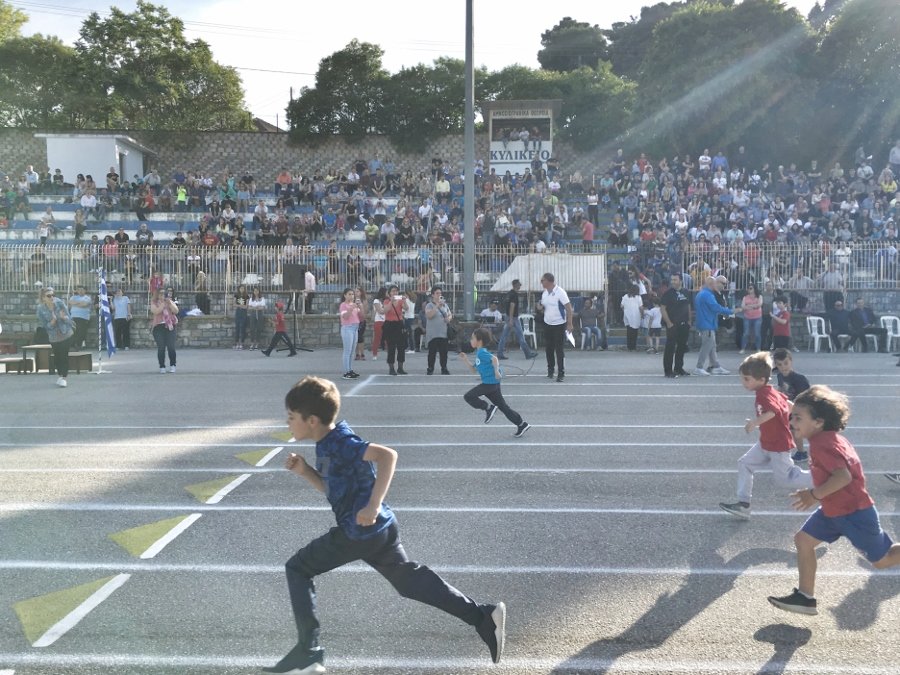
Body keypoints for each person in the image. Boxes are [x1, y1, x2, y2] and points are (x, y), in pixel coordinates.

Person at [263, 376, 506, 674]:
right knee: (410, 583)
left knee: (298, 568)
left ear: (311, 420)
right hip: (379, 530)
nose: (287, 423)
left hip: (360, 532)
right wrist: (305, 471)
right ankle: (483, 617)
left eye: (291, 417)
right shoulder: (327, 441)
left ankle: (308, 651)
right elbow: (333, 490)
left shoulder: (340, 442)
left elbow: (387, 456)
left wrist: (373, 505)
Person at [767, 385, 900, 615]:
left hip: (854, 513)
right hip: (833, 509)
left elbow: (843, 477)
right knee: (803, 540)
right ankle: (805, 598)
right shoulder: (829, 438)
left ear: (818, 422)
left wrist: (813, 495)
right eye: (792, 416)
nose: (792, 421)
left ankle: (805, 597)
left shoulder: (822, 444)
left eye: (798, 418)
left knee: (882, 560)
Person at [719, 352, 811, 520]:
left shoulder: (763, 394)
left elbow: (773, 412)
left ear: (761, 380)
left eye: (747, 379)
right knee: (745, 464)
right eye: (743, 378)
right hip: (766, 443)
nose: (743, 382)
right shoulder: (770, 390)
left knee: (786, 479)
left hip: (777, 444)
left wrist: (754, 423)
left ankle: (821, 479)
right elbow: (787, 404)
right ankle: (744, 504)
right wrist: (801, 415)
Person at [459, 327, 530, 437]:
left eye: (473, 338)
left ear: (479, 341)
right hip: (493, 384)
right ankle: (521, 424)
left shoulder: (482, 353)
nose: (471, 340)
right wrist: (465, 360)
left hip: (490, 384)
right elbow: (473, 370)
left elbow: (494, 359)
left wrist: (496, 371)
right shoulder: (480, 353)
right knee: (503, 407)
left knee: (468, 396)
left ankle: (488, 408)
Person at [772, 347, 811, 464]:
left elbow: (807, 395)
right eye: (779, 365)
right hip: (786, 408)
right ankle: (783, 450)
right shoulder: (780, 375)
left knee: (796, 431)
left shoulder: (799, 379)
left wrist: (802, 410)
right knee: (786, 429)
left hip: (797, 409)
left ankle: (802, 452)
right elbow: (781, 388)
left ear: (791, 361)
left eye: (786, 363)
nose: (783, 367)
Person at [693, 276, 735, 376]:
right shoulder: (707, 295)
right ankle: (699, 367)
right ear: (711, 284)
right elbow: (716, 308)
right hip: (707, 324)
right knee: (707, 346)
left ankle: (715, 366)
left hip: (706, 323)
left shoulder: (702, 294)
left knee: (711, 346)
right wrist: (731, 311)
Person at [536, 272, 573, 382]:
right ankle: (550, 370)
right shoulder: (544, 293)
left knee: (559, 349)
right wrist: (539, 308)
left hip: (559, 324)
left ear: (549, 281)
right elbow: (543, 307)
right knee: (548, 348)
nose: (541, 282)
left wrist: (569, 323)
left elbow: (569, 308)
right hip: (548, 323)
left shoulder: (560, 292)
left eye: (543, 280)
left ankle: (561, 372)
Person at [36, 286, 74, 388]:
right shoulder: (40, 309)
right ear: (43, 298)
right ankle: (60, 375)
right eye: (49, 296)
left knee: (64, 355)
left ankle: (64, 377)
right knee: (57, 357)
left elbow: (69, 319)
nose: (52, 297)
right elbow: (44, 326)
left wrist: (63, 317)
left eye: (53, 295)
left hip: (66, 333)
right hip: (53, 336)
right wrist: (52, 323)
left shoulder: (60, 303)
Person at [660, 272, 692, 378]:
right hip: (673, 324)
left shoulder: (686, 292)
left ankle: (678, 368)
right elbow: (663, 308)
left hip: (684, 324)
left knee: (681, 347)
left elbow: (688, 306)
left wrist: (689, 321)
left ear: (681, 281)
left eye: (675, 280)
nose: (673, 282)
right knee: (670, 348)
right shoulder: (668, 293)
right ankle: (668, 371)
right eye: (672, 280)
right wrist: (669, 323)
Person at [497, 279, 538, 360]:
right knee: (520, 336)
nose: (520, 285)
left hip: (508, 316)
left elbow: (507, 306)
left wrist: (509, 318)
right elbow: (512, 306)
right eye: (519, 284)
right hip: (513, 318)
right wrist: (511, 319)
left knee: (504, 336)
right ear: (516, 285)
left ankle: (500, 353)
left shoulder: (509, 294)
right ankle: (528, 354)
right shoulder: (514, 295)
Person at [425, 286, 453, 375]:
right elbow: (429, 315)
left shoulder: (445, 305)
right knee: (432, 352)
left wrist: (448, 318)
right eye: (437, 293)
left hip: (443, 333)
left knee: (444, 352)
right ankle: (430, 368)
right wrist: (437, 306)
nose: (439, 295)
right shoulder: (429, 305)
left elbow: (450, 314)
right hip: (432, 333)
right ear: (432, 295)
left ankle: (444, 368)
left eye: (440, 293)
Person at [149, 287, 178, 374]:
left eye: (164, 293)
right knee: (161, 348)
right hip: (158, 327)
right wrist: (162, 304)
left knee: (171, 347)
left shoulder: (169, 301)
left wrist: (169, 303)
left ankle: (173, 365)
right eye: (160, 293)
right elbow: (156, 311)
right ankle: (162, 366)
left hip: (169, 327)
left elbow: (176, 311)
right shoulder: (154, 303)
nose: (162, 295)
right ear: (157, 294)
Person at [382, 285, 408, 376]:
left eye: (396, 291)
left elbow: (406, 308)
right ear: (389, 293)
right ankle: (391, 368)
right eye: (393, 291)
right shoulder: (386, 301)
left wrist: (404, 301)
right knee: (391, 347)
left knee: (401, 347)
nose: (395, 293)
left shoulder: (400, 301)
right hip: (389, 325)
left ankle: (400, 367)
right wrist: (391, 302)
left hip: (399, 324)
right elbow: (385, 311)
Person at [338, 287, 362, 380]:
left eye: (352, 294)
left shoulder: (354, 305)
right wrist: (351, 308)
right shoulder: (343, 305)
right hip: (347, 328)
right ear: (345, 295)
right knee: (347, 351)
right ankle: (346, 371)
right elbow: (345, 316)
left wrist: (360, 306)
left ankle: (350, 369)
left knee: (352, 351)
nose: (351, 296)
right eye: (349, 294)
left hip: (355, 328)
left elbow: (361, 315)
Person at [739, 284, 763, 354]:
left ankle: (758, 348)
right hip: (747, 317)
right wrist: (754, 306)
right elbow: (743, 307)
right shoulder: (745, 297)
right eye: (749, 288)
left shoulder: (759, 296)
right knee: (746, 333)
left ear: (754, 289)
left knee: (757, 333)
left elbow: (759, 305)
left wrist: (748, 306)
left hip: (757, 317)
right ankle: (743, 348)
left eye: (751, 288)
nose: (749, 289)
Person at [68, 284, 93, 349]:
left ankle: (79, 345)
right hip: (73, 317)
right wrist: (79, 303)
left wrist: (75, 304)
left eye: (82, 290)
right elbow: (70, 302)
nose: (80, 291)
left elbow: (84, 304)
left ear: (85, 291)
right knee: (73, 332)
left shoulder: (87, 298)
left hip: (83, 318)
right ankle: (73, 345)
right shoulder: (73, 297)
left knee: (81, 332)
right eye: (79, 290)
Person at [620, 285, 643, 352]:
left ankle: (629, 347)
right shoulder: (638, 297)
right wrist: (642, 314)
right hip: (636, 316)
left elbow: (621, 306)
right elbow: (641, 307)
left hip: (627, 316)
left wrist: (625, 311)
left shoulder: (625, 296)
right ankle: (633, 347)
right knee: (634, 332)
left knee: (629, 332)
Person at [371, 287, 386, 360]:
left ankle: (390, 353)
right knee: (377, 338)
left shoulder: (387, 301)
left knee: (388, 338)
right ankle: (374, 354)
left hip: (386, 321)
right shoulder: (376, 300)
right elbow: (380, 311)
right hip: (378, 321)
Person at [233, 284, 249, 350]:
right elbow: (234, 304)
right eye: (241, 288)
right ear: (239, 289)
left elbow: (246, 306)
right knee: (237, 328)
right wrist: (240, 306)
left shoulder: (247, 296)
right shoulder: (236, 295)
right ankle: (237, 343)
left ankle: (242, 343)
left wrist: (239, 305)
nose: (242, 290)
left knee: (243, 328)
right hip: (238, 312)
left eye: (243, 288)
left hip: (244, 313)